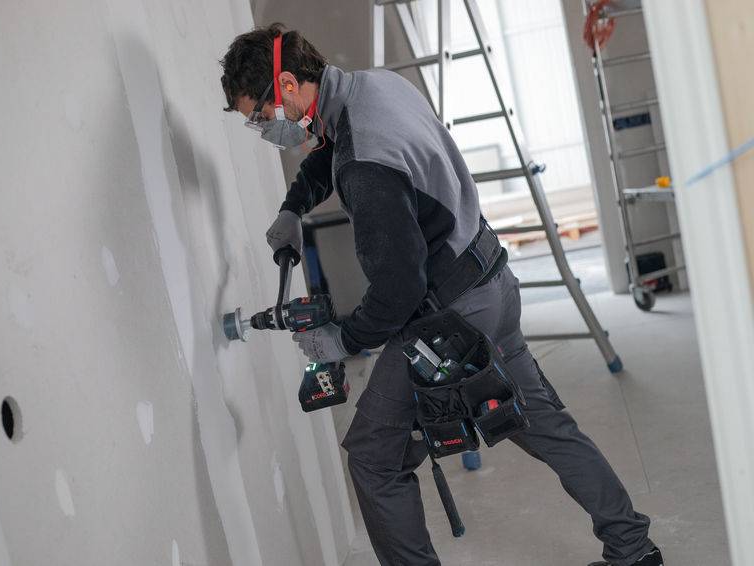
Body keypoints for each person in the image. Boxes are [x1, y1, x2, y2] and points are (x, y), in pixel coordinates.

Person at [220, 23, 663, 566]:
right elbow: (329, 153)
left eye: (261, 116)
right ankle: (634, 549)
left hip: (453, 319)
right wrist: (294, 207)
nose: (265, 128)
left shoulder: (363, 165)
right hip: (491, 280)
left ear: (287, 85)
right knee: (544, 423)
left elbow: (399, 289)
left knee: (374, 458)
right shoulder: (375, 88)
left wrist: (344, 340)